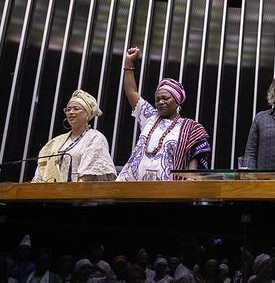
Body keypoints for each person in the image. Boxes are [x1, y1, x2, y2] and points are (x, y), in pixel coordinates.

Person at [117, 47, 211, 180]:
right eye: (157, 99)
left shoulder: (190, 127)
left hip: (169, 190)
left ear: (177, 102)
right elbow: (132, 92)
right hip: (132, 187)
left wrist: (190, 183)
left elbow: (194, 162)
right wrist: (128, 63)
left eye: (165, 98)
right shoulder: (149, 116)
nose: (160, 102)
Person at [31, 90, 116, 182]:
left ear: (87, 114)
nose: (71, 112)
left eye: (76, 109)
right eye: (68, 109)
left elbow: (90, 175)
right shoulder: (56, 141)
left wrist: (71, 190)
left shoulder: (95, 138)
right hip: (51, 190)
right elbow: (41, 172)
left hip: (79, 190)